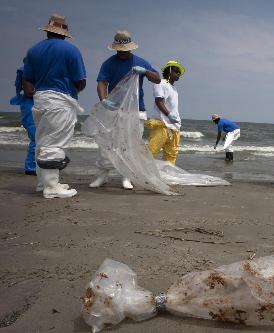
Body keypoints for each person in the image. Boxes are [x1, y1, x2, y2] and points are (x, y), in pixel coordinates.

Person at [22, 14, 86, 199]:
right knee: (55, 142)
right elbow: (80, 81)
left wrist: (38, 93)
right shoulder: (71, 51)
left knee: (42, 141)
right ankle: (51, 187)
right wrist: (70, 89)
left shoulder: (33, 50)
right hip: (60, 99)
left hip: (40, 99)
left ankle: (43, 183)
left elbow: (27, 81)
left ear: (48, 31)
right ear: (65, 33)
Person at [89, 31, 161, 189]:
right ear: (115, 48)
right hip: (113, 108)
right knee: (107, 143)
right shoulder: (108, 63)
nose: (123, 52)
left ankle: (126, 177)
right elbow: (102, 83)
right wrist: (104, 100)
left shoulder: (141, 61)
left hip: (136, 109)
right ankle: (102, 175)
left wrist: (145, 71)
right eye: (120, 50)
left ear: (131, 48)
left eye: (125, 49)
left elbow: (157, 78)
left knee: (131, 144)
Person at [145, 60, 184, 165]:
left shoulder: (174, 89)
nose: (178, 74)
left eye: (179, 72)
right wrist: (169, 115)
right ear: (169, 71)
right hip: (162, 124)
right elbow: (159, 101)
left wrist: (174, 120)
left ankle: (168, 176)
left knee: (171, 155)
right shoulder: (161, 83)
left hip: (174, 126)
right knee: (151, 152)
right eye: (176, 71)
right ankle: (143, 175)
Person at [9, 60, 36, 176]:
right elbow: (29, 92)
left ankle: (33, 165)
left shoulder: (26, 69)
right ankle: (31, 167)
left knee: (36, 137)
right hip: (30, 106)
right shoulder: (27, 70)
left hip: (29, 105)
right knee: (36, 137)